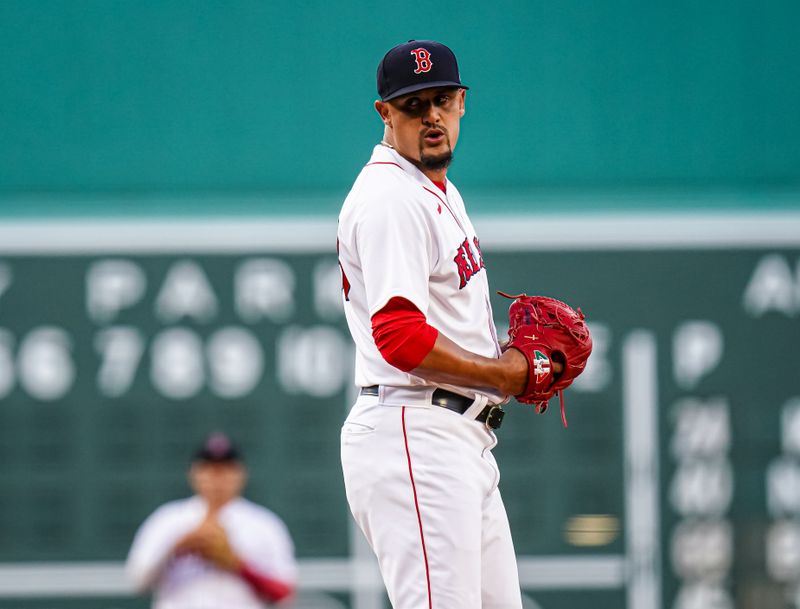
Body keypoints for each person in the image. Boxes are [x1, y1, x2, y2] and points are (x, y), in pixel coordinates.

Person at [337, 40, 557, 609]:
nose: (430, 116)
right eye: (413, 105)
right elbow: (399, 335)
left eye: (441, 100)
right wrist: (502, 375)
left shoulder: (432, 189)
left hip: (457, 439)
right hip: (417, 432)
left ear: (462, 103)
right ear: (385, 114)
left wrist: (496, 367)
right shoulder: (391, 197)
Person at [125, 432, 297, 608]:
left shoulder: (264, 524)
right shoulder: (168, 519)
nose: (217, 477)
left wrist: (237, 565)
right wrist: (177, 548)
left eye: (226, 469)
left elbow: (284, 593)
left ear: (242, 473)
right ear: (193, 473)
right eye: (208, 468)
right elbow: (137, 581)